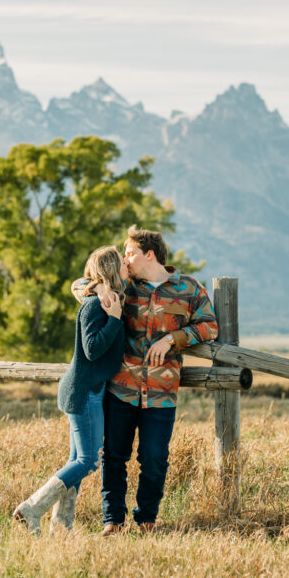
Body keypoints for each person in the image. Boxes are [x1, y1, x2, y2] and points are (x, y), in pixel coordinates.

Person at [73, 225, 218, 535]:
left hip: (162, 392)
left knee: (154, 458)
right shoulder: (125, 286)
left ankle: (146, 520)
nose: (125, 260)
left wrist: (175, 339)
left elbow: (209, 326)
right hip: (121, 388)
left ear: (149, 255)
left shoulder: (189, 289)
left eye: (130, 253)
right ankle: (113, 521)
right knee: (114, 456)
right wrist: (98, 289)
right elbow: (78, 284)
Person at [12, 246, 127, 535]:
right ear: (112, 268)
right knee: (87, 461)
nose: (127, 265)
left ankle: (61, 527)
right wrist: (113, 320)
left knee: (78, 460)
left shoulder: (109, 298)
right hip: (82, 390)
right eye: (122, 262)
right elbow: (91, 349)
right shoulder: (94, 305)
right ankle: (31, 508)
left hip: (92, 389)